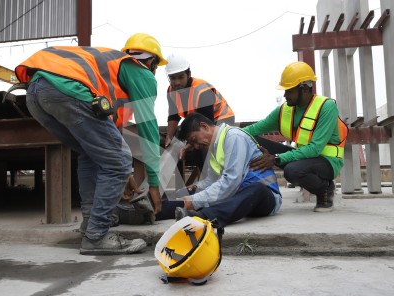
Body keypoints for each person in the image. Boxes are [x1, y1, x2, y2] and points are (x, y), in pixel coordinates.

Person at [17, 32, 167, 255]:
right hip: (66, 90)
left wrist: (124, 173)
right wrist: (154, 183)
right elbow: (148, 129)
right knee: (117, 161)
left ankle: (90, 226)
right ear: (152, 62)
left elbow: (107, 143)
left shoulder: (110, 73)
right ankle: (97, 236)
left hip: (36, 92)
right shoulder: (139, 71)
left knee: (90, 154)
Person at [244, 61, 348, 212]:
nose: (285, 95)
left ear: (304, 89)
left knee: (292, 171)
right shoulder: (285, 110)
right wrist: (225, 134)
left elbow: (315, 148)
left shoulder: (326, 107)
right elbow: (254, 129)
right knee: (252, 140)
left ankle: (325, 189)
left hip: (327, 161)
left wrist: (276, 158)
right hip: (304, 157)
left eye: (289, 91)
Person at [155, 113, 282, 228]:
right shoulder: (213, 146)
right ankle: (152, 213)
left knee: (257, 189)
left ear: (204, 126)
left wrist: (195, 200)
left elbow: (231, 181)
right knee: (188, 192)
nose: (196, 146)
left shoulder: (234, 137)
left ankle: (203, 216)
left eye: (194, 140)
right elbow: (213, 179)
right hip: (235, 194)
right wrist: (196, 187)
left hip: (265, 197)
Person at [163, 54, 235, 165]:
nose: (176, 82)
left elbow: (206, 125)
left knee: (206, 146)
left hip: (220, 119)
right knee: (185, 146)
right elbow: (173, 116)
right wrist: (169, 137)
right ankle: (203, 179)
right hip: (198, 121)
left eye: (181, 77)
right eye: (173, 78)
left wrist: (188, 146)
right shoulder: (170, 91)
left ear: (189, 74)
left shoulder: (202, 90)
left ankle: (214, 178)